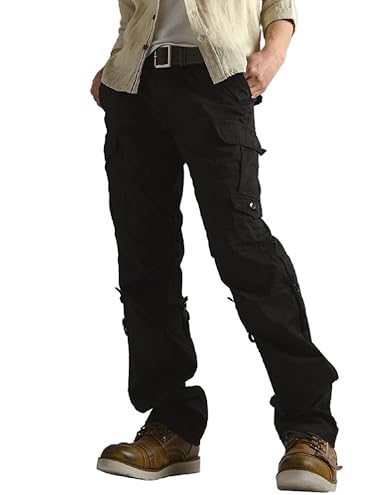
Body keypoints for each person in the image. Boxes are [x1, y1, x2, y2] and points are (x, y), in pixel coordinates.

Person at [90, 1, 342, 491]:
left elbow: (279, 3)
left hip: (216, 77)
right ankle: (171, 426)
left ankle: (309, 428)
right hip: (134, 87)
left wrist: (274, 53)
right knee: (144, 258)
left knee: (242, 248)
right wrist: (117, 61)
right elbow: (135, 13)